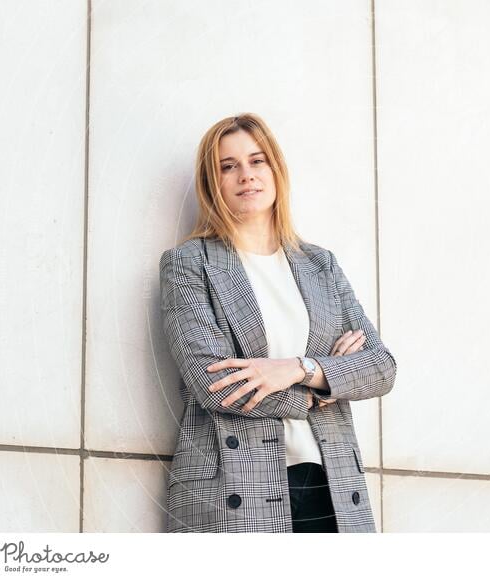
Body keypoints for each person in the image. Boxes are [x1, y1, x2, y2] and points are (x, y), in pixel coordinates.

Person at [158, 112, 397, 533]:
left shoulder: (320, 264)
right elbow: (214, 384)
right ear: (213, 183)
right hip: (235, 484)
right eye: (228, 166)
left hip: (332, 483)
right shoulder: (189, 264)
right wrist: (319, 390)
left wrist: (296, 369)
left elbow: (380, 367)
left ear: (275, 170)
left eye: (257, 161)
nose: (245, 175)